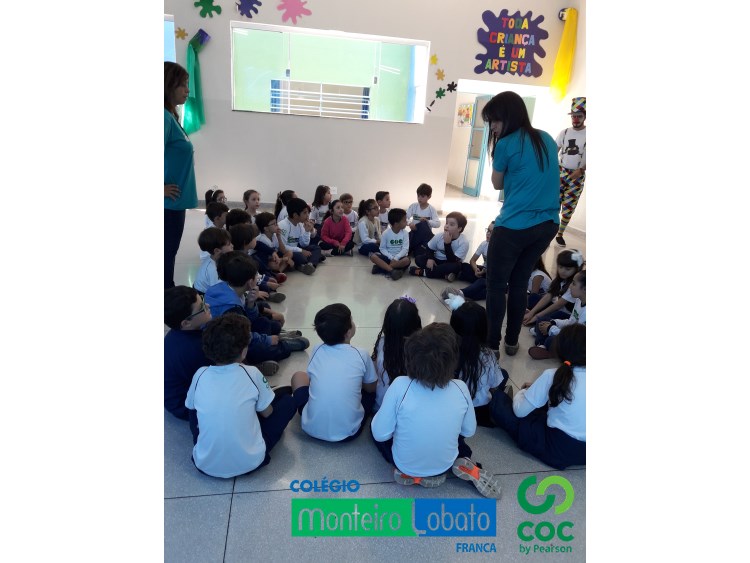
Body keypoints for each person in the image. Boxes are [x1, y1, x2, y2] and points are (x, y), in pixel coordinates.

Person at [371, 323, 501, 498]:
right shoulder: (461, 387)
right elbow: (468, 431)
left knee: (376, 430)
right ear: (454, 361)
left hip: (405, 463)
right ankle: (464, 459)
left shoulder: (400, 385)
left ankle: (411, 474)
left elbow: (380, 434)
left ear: (409, 359)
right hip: (444, 464)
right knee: (457, 439)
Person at [481, 91, 560, 357]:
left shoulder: (506, 143)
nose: (492, 127)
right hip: (547, 225)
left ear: (508, 116)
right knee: (518, 283)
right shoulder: (546, 138)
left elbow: (497, 184)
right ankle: (512, 342)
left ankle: (492, 345)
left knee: (496, 286)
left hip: (514, 226)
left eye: (494, 120)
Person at [185, 314, 310, 478]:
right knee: (287, 402)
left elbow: (192, 410)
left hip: (203, 464)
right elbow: (268, 413)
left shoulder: (200, 374)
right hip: (252, 461)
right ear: (244, 352)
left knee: (195, 411)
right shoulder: (251, 372)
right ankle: (281, 396)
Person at [490, 324, 586, 469]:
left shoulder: (552, 375)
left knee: (500, 404)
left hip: (557, 448)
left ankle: (498, 395)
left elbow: (520, 411)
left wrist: (524, 392)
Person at [205, 251, 309, 363]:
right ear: (250, 282)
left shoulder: (229, 287)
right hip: (228, 344)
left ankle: (276, 337)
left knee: (264, 322)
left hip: (236, 333)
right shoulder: (232, 308)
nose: (257, 278)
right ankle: (282, 345)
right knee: (259, 351)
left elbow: (250, 319)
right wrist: (268, 340)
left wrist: (250, 304)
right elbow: (243, 336)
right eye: (256, 276)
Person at [296, 304, 377, 442]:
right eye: (352, 320)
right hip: (349, 433)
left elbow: (310, 379)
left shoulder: (317, 349)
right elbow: (371, 388)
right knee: (371, 393)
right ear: (348, 333)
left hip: (310, 428)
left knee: (297, 376)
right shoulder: (361, 354)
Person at [164, 61, 199, 288]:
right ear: (168, 85)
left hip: (176, 203)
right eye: (183, 85)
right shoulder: (162, 117)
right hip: (167, 204)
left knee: (168, 253)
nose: (187, 90)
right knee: (165, 254)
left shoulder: (170, 116)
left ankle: (167, 291)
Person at [450, 302, 508, 427]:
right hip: (480, 410)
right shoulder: (488, 355)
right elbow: (494, 385)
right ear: (484, 329)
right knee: (503, 374)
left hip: (454, 407)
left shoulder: (447, 353)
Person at [164, 286, 213, 420]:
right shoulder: (197, 349)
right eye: (202, 307)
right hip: (186, 406)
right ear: (186, 323)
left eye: (203, 300)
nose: (208, 306)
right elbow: (216, 377)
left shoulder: (177, 333)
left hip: (175, 396)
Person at [371, 297, 422, 412]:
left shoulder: (382, 343)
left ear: (387, 323)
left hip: (381, 405)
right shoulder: (423, 350)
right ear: (416, 322)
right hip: (411, 409)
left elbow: (374, 374)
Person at [529, 270, 585, 359]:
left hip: (579, 344)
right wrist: (554, 323)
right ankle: (543, 345)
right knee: (543, 320)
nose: (570, 286)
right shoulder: (578, 300)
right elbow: (570, 322)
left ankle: (544, 344)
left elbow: (576, 339)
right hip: (571, 334)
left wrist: (551, 328)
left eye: (574, 284)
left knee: (551, 340)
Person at [555, 97, 586, 247]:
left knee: (569, 207)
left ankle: (560, 234)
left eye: (579, 116)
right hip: (560, 172)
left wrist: (582, 169)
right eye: (573, 116)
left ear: (585, 116)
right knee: (553, 203)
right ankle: (548, 232)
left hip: (577, 175)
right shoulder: (565, 132)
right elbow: (553, 150)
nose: (575, 119)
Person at [523, 249, 584, 326]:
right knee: (533, 298)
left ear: (577, 269)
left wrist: (536, 316)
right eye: (560, 267)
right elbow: (549, 295)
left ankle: (538, 320)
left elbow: (558, 305)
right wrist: (532, 313)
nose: (562, 271)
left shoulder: (574, 285)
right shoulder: (560, 280)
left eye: (568, 269)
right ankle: (533, 316)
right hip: (558, 309)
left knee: (548, 319)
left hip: (567, 316)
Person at [409, 212, 469, 281]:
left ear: (459, 229)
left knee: (456, 267)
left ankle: (423, 272)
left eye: (451, 224)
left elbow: (452, 261)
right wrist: (430, 258)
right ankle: (444, 275)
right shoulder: (439, 236)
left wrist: (447, 244)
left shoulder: (463, 242)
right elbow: (429, 248)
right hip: (436, 261)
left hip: (448, 263)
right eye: (446, 223)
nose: (447, 226)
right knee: (418, 259)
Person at [277, 198, 323, 275]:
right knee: (299, 256)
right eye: (305, 213)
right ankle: (308, 262)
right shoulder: (283, 225)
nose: (307, 215)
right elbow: (282, 247)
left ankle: (310, 265)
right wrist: (301, 251)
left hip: (296, 249)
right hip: (286, 252)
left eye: (308, 212)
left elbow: (304, 244)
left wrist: (307, 231)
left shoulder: (300, 224)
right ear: (295, 215)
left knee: (316, 248)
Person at [370, 208, 410, 280]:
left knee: (407, 260)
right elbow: (382, 248)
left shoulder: (405, 233)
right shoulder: (386, 233)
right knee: (373, 256)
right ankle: (392, 271)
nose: (406, 222)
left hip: (400, 258)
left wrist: (396, 258)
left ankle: (382, 268)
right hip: (388, 257)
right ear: (396, 224)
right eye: (404, 220)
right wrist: (391, 257)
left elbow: (405, 249)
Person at [193, 227, 233, 294]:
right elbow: (217, 291)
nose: (232, 245)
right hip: (202, 295)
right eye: (229, 244)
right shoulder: (212, 270)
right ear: (217, 251)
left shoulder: (215, 259)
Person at [406, 183, 441, 255]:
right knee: (406, 247)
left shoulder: (431, 209)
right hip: (414, 232)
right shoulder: (413, 206)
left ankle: (419, 247)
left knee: (423, 224)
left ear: (429, 197)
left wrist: (428, 221)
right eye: (418, 196)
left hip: (425, 236)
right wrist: (410, 223)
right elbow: (405, 217)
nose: (419, 198)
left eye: (422, 196)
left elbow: (438, 223)